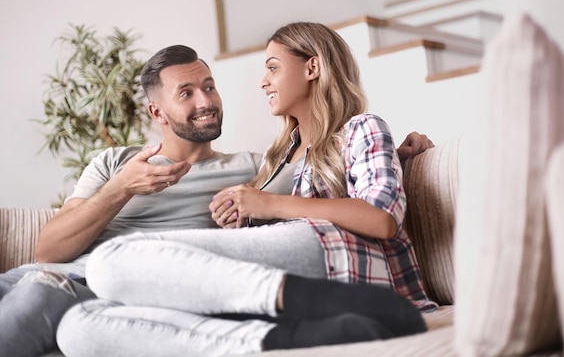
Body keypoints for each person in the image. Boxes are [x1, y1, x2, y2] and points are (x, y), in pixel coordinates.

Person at [0, 43, 433, 357]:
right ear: (157, 112)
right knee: (49, 303)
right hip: (36, 274)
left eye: (209, 87)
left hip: (84, 289)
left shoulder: (258, 169)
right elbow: (47, 250)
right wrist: (121, 188)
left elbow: (327, 171)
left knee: (45, 296)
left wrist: (397, 153)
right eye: (186, 93)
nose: (206, 102)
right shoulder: (114, 162)